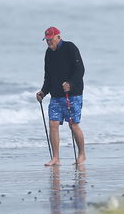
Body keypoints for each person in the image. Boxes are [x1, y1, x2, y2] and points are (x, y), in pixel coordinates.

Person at [36, 26, 87, 166]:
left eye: (50, 39)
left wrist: (70, 84)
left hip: (73, 94)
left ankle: (82, 154)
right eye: (46, 40)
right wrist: (43, 92)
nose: (48, 42)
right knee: (53, 124)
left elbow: (80, 70)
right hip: (56, 96)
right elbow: (48, 77)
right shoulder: (48, 53)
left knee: (73, 125)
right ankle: (56, 158)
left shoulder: (70, 48)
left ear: (58, 36)